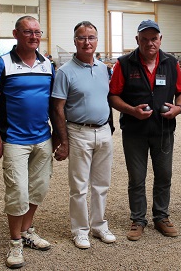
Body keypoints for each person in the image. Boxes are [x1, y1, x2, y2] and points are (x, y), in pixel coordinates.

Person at [0, 16, 55, 269]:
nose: (34, 36)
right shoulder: (2, 64)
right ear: (16, 34)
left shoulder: (48, 64)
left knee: (39, 189)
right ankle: (15, 243)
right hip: (14, 140)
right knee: (18, 192)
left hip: (43, 139)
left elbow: (54, 104)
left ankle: (27, 232)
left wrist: (59, 136)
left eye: (37, 32)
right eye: (28, 32)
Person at [109, 19, 181, 241]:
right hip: (134, 130)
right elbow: (113, 96)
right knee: (137, 177)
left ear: (160, 39)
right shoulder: (124, 63)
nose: (150, 43)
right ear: (137, 40)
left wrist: (178, 108)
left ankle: (161, 217)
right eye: (145, 39)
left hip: (163, 129)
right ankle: (138, 220)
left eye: (154, 38)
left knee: (164, 174)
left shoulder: (171, 63)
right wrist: (131, 110)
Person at [51, 21, 115, 249]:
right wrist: (64, 141)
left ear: (97, 40)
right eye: (82, 38)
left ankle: (99, 225)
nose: (87, 42)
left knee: (102, 183)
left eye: (91, 37)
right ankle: (80, 230)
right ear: (75, 41)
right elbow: (57, 108)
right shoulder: (65, 72)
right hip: (79, 131)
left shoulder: (103, 68)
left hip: (104, 131)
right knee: (79, 186)